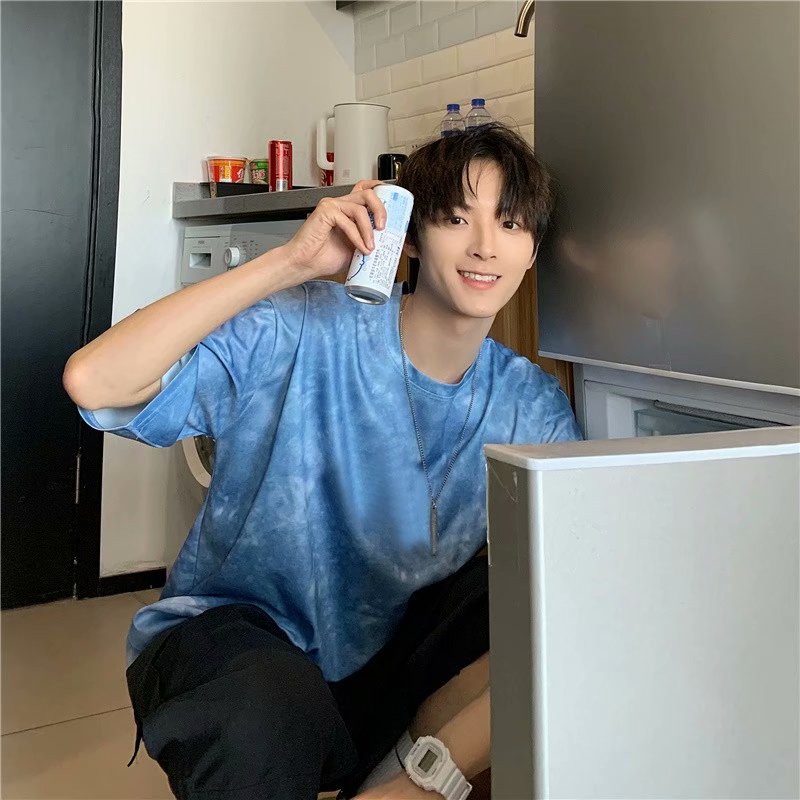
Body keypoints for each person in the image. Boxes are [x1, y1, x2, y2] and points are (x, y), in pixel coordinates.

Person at [63, 123, 582, 800]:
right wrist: (290, 264)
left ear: (533, 249)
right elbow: (94, 383)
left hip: (379, 670)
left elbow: (579, 600)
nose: (485, 245)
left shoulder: (531, 407)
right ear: (411, 235)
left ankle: (397, 782)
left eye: (509, 224)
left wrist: (423, 783)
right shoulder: (302, 324)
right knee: (262, 715)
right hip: (234, 649)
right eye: (457, 218)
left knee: (520, 603)